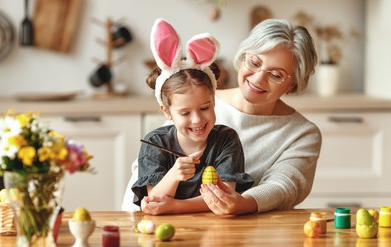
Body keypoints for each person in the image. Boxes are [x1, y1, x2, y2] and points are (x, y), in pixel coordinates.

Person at [123, 18, 321, 215]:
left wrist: (242, 204)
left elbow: (283, 186)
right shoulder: (196, 99)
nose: (258, 78)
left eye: (276, 75)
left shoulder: (303, 134)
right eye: (254, 62)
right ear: (243, 56)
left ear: (293, 83)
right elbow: (145, 179)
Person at [131, 19, 254, 214]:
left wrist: (175, 206)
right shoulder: (153, 142)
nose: (197, 119)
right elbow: (154, 202)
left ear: (213, 101)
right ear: (167, 112)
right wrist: (173, 175)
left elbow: (224, 198)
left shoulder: (226, 140)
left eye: (204, 108)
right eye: (185, 113)